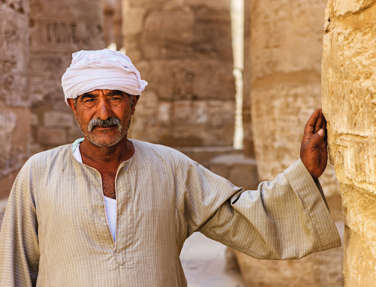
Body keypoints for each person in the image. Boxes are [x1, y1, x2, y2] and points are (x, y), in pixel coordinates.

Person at [0, 49, 340, 287]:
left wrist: (304, 172)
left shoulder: (172, 168)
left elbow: (242, 218)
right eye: (90, 99)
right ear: (73, 106)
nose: (103, 112)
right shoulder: (38, 173)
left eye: (115, 97)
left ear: (133, 103)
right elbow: (14, 269)